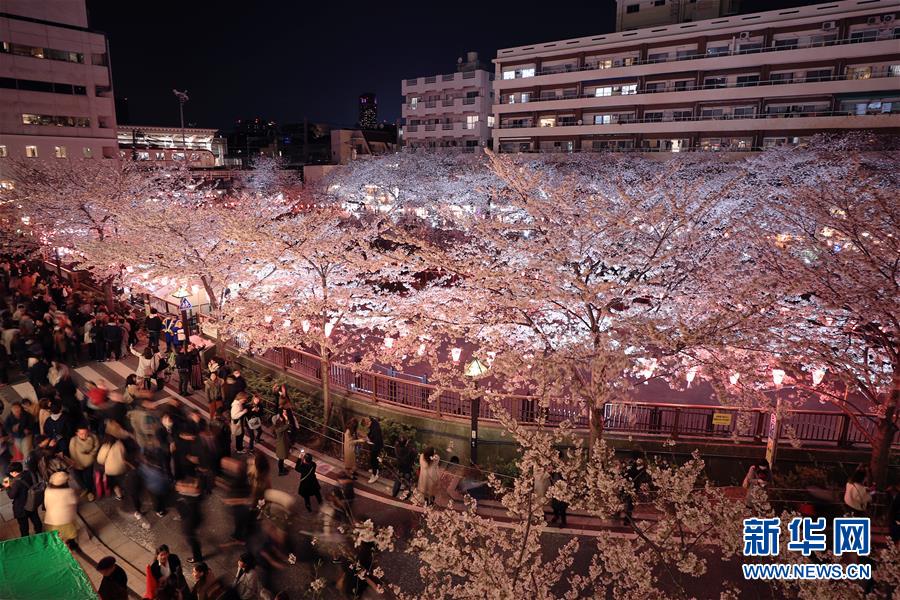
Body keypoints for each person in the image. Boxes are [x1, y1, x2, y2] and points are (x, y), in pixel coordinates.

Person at [3, 461, 43, 537]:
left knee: (24, 526)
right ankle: (40, 533)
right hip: (31, 502)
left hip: (21, 508)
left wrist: (7, 487)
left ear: (14, 472)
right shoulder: (28, 473)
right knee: (35, 519)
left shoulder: (17, 483)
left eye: (11, 472)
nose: (10, 474)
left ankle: (26, 539)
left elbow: (11, 495)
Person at [43, 470, 79, 545]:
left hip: (52, 519)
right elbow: (74, 502)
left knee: (56, 535)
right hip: (66, 519)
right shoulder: (69, 491)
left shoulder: (48, 491)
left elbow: (46, 504)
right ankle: (71, 545)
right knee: (70, 534)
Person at [176, 477, 204, 564]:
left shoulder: (189, 500)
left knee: (191, 539)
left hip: (189, 523)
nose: (178, 486)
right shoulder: (192, 496)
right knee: (191, 538)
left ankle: (197, 557)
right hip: (193, 519)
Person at [69, 423, 100, 501]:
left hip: (89, 463)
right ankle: (85, 489)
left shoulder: (93, 437)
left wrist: (91, 455)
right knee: (79, 478)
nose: (84, 435)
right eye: (82, 433)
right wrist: (76, 464)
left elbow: (96, 448)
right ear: (77, 433)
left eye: (86, 433)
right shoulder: (74, 440)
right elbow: (73, 453)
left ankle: (90, 492)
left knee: (88, 478)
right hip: (77, 463)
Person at [97, 431, 129, 501]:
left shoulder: (105, 446)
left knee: (114, 484)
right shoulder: (120, 443)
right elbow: (124, 454)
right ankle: (124, 489)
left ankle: (119, 495)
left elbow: (100, 459)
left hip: (111, 471)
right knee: (121, 480)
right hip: (122, 468)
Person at [392, 436, 416, 500]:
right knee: (407, 483)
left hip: (400, 467)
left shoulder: (397, 448)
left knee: (398, 481)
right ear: (406, 443)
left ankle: (394, 494)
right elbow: (414, 455)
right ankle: (406, 496)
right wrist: (410, 445)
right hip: (407, 469)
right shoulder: (409, 450)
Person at [363, 416, 383, 484]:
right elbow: (371, 433)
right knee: (375, 459)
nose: (367, 427)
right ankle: (376, 470)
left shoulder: (376, 429)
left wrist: (369, 439)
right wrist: (368, 436)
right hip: (377, 445)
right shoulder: (374, 422)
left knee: (373, 459)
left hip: (376, 446)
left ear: (368, 422)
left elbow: (376, 439)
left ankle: (374, 475)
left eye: (367, 425)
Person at [273, 409, 291, 476]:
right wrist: (286, 419)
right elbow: (286, 426)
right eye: (284, 412)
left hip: (283, 443)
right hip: (281, 444)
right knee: (281, 459)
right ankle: (280, 472)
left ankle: (282, 469)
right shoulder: (278, 428)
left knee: (282, 458)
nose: (285, 413)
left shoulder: (280, 421)